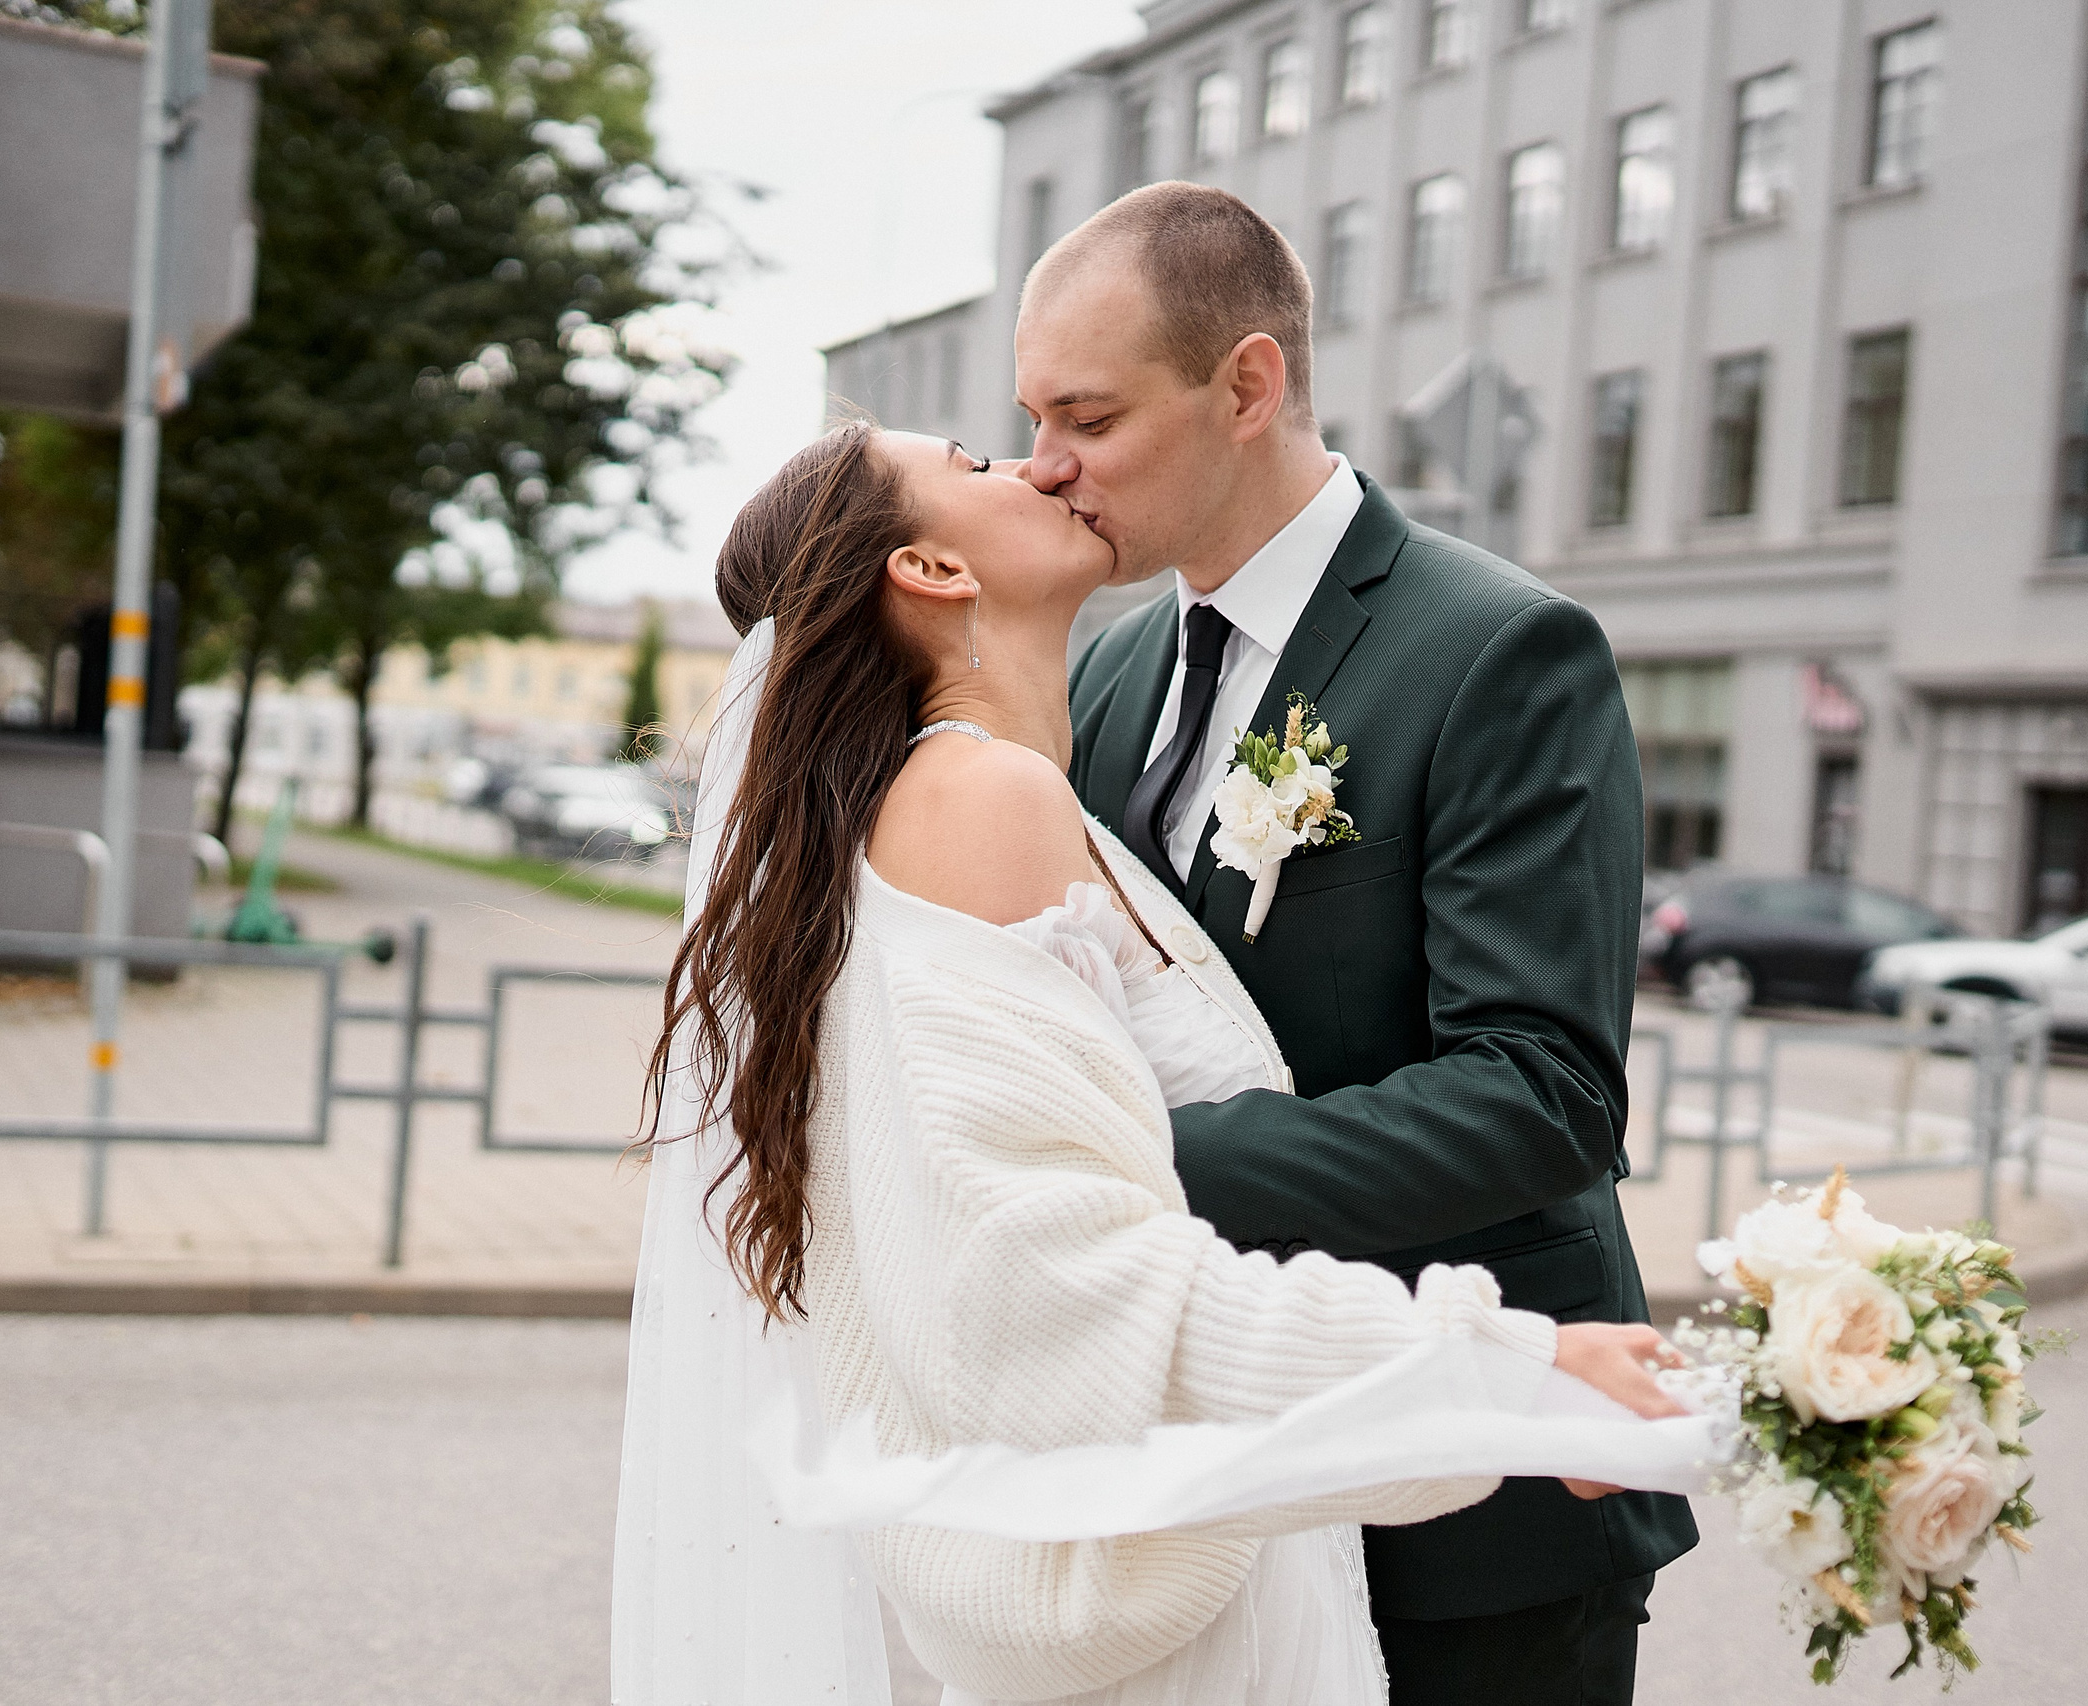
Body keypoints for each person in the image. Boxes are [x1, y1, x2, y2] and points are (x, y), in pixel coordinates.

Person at [609, 418, 1734, 1706]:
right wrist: (1496, 1374)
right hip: (1175, 1583)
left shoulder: (1030, 779)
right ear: (931, 571)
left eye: (1076, 421)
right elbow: (1065, 1274)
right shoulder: (982, 803)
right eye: (980, 461)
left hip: (1239, 1530)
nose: (1036, 464)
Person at [1024, 182, 1696, 1706]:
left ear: (1246, 385)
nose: (1048, 465)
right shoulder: (1113, 665)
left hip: (1483, 1506)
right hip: (1224, 1477)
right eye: (1034, 417)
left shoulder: (1501, 649)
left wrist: (1124, 1182)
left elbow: (1542, 1092)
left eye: (1088, 415)